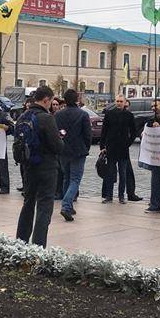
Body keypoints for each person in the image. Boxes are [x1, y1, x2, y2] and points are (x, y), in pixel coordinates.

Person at [15, 86, 65, 247]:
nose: (51, 104)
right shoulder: (46, 118)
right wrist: (61, 139)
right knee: (44, 206)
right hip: (47, 167)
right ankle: (38, 246)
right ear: (46, 100)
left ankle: (21, 242)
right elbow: (57, 146)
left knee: (28, 203)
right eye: (51, 101)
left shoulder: (23, 116)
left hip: (28, 166)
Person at [55, 88, 91, 221]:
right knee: (75, 180)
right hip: (78, 151)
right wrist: (86, 147)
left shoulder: (58, 115)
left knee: (66, 178)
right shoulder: (83, 114)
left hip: (63, 151)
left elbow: (57, 133)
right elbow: (88, 135)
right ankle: (66, 206)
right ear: (77, 99)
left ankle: (68, 206)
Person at [100, 94, 138, 204]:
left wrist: (128, 143)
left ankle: (121, 196)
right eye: (117, 101)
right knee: (110, 173)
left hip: (123, 148)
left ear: (125, 102)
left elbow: (134, 131)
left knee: (123, 173)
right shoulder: (109, 114)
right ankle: (109, 196)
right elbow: (104, 131)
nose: (119, 103)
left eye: (121, 101)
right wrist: (102, 146)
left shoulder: (129, 115)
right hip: (111, 147)